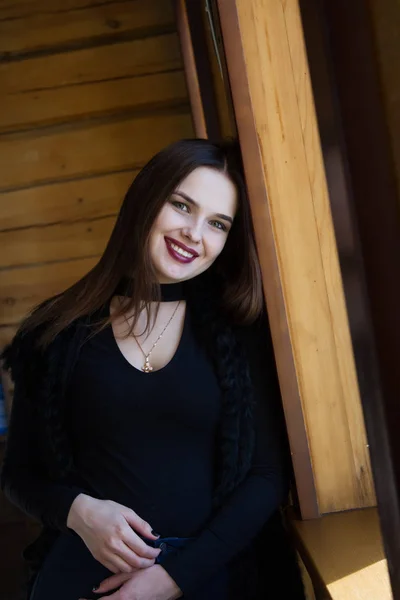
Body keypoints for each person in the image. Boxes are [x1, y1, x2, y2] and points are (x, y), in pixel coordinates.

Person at [0, 139, 304, 600]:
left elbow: (266, 476)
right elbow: (19, 475)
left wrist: (173, 578)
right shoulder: (56, 330)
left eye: (217, 224)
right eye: (182, 206)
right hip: (86, 578)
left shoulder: (239, 331)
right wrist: (80, 512)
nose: (194, 233)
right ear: (145, 199)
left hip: (208, 575)